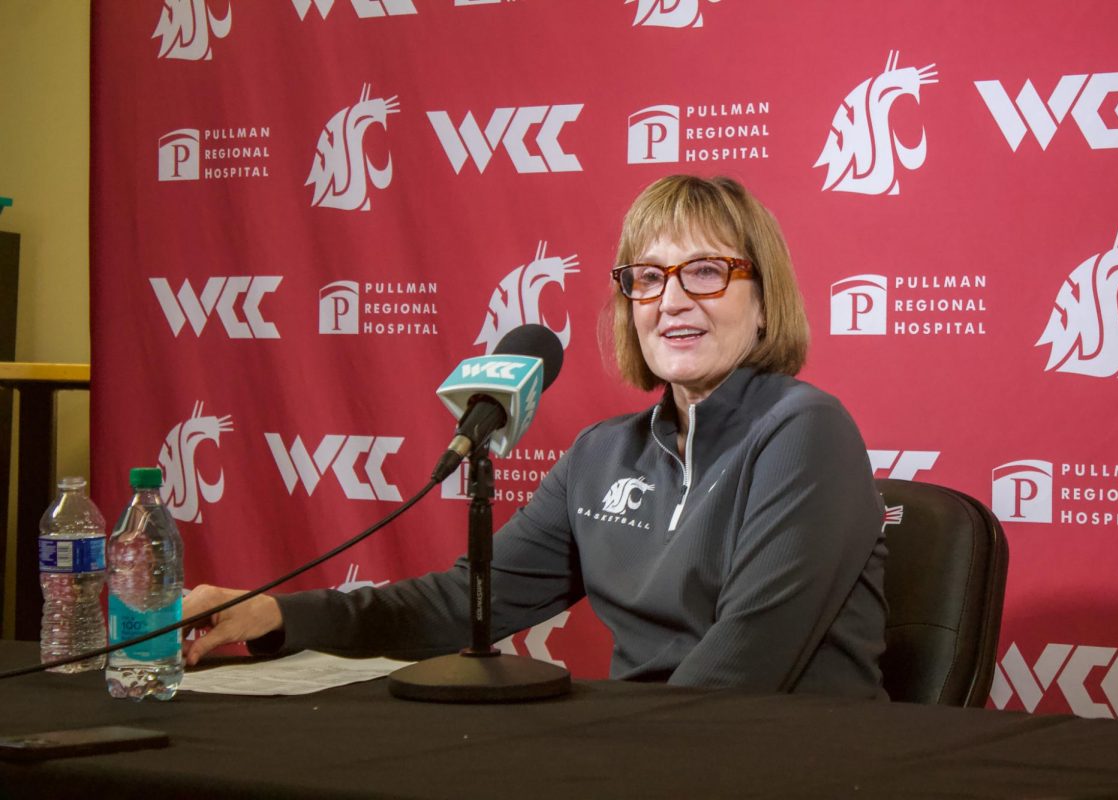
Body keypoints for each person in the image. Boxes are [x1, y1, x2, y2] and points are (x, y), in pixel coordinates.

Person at [183, 175, 888, 697]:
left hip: (782, 763)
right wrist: (275, 614)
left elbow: (743, 664)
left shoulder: (804, 431)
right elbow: (460, 606)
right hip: (653, 753)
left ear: (765, 302)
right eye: (647, 278)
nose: (672, 299)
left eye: (706, 272)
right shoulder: (601, 455)